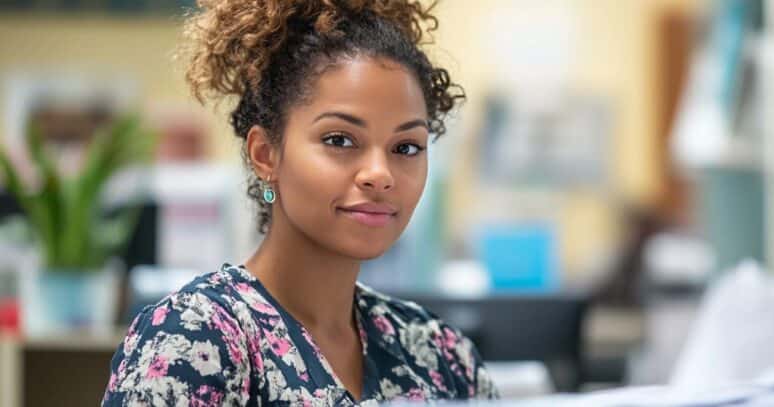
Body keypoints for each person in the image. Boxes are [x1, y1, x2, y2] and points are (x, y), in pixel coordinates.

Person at [102, 0, 498, 404]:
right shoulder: (194, 340)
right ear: (266, 154)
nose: (380, 173)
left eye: (406, 147)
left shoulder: (440, 354)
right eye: (339, 140)